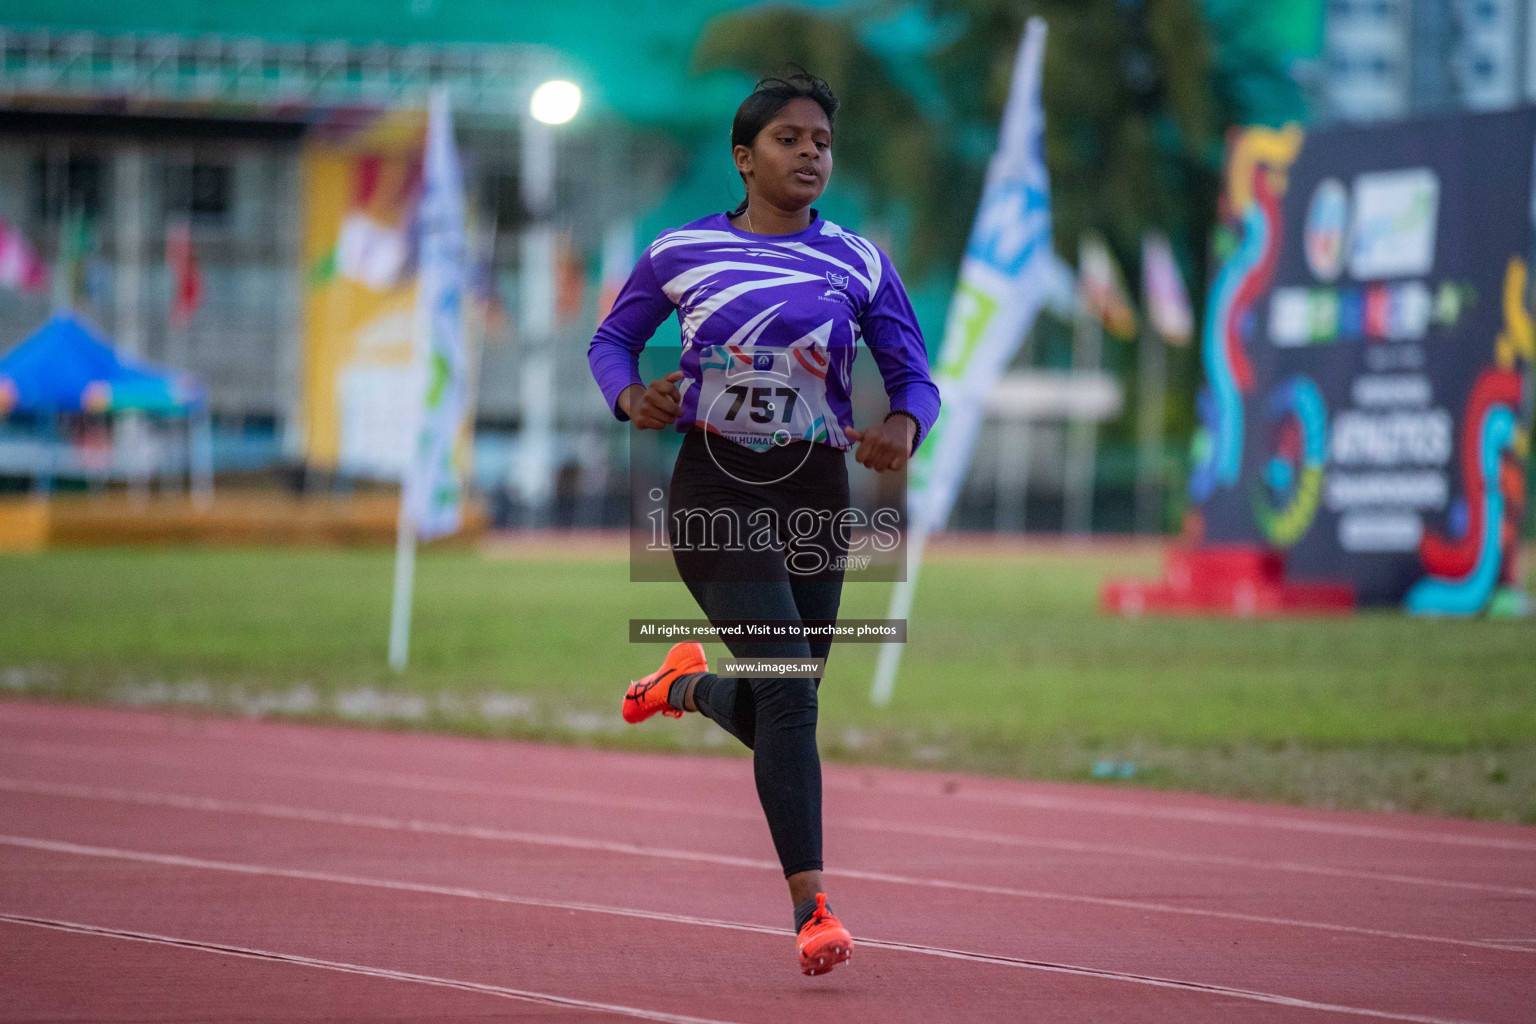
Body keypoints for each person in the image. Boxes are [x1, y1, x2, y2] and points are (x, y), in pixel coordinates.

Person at [586, 72, 940, 976]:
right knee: (788, 691)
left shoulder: (860, 262)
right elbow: (610, 341)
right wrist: (634, 396)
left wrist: (901, 427)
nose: (812, 153)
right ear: (745, 159)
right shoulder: (681, 250)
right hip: (716, 489)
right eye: (790, 139)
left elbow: (914, 375)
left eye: (822, 140)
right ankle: (812, 908)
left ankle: (684, 688)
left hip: (819, 493)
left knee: (793, 696)